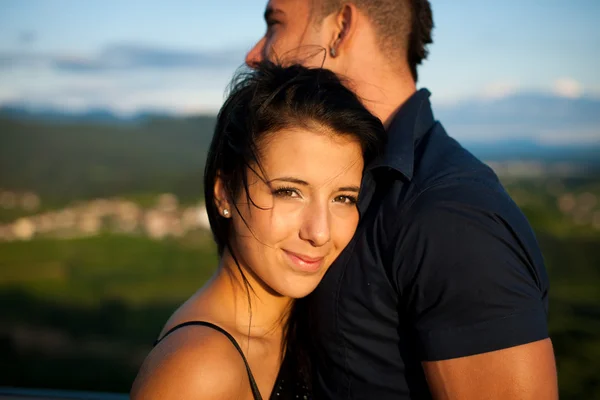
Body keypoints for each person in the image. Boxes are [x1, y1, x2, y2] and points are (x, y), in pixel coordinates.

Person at [245, 1, 559, 399]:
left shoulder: (450, 217)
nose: (255, 54)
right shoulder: (360, 181)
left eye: (275, 24)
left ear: (340, 28)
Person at [130, 62, 384, 399]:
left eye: (343, 197)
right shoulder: (197, 370)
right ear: (224, 192)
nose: (320, 233)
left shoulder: (312, 323)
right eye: (289, 192)